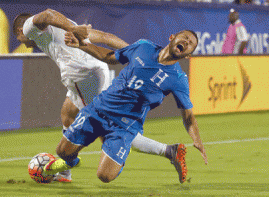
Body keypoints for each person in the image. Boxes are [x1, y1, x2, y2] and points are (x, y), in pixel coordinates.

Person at [13, 9, 187, 183]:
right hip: (93, 70)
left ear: (20, 31)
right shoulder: (67, 25)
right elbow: (104, 36)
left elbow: (48, 14)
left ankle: (167, 151)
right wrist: (134, 52)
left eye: (19, 38)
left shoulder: (29, 27)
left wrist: (74, 30)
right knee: (67, 114)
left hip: (81, 75)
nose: (24, 44)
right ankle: (66, 171)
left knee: (108, 127)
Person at [42, 29, 208, 184]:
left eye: (191, 44)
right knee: (62, 152)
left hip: (124, 126)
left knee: (105, 177)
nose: (186, 43)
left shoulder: (178, 79)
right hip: (98, 109)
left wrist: (197, 140)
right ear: (172, 37)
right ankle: (69, 166)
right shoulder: (144, 47)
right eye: (185, 38)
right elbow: (109, 57)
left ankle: (119, 157)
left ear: (188, 55)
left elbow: (188, 115)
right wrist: (82, 45)